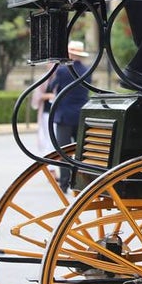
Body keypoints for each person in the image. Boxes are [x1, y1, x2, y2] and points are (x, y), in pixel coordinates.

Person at [47, 40, 92, 192]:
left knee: (64, 151)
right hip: (81, 114)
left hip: (65, 115)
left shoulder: (62, 70)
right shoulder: (87, 70)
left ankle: (65, 183)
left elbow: (52, 87)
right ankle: (81, 183)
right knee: (80, 151)